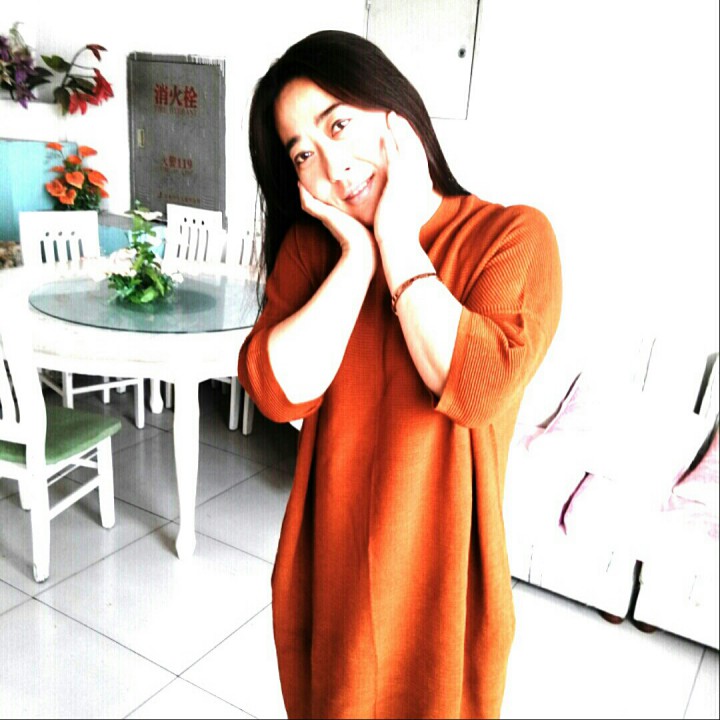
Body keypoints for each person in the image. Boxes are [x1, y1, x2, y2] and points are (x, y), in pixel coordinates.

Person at [238, 29, 562, 720]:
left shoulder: (511, 237)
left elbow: (475, 387)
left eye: (338, 125)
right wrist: (357, 258)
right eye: (303, 153)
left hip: (444, 590)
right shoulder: (314, 253)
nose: (331, 165)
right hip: (332, 580)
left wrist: (394, 239)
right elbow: (276, 391)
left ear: (395, 112)